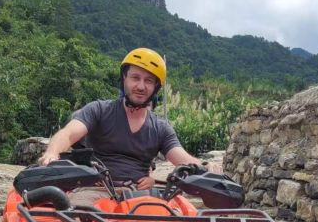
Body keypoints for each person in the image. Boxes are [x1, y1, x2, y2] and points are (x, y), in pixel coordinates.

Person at [38, 47, 223, 206]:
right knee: (74, 218)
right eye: (135, 77)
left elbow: (182, 158)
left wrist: (205, 166)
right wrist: (52, 153)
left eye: (149, 81)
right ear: (124, 79)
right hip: (95, 188)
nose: (141, 86)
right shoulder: (99, 110)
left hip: (140, 194)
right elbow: (69, 134)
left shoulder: (161, 128)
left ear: (155, 88)